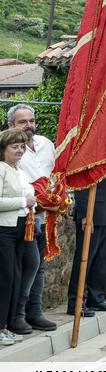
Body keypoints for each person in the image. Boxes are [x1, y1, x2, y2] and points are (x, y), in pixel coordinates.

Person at [7, 104, 57, 332]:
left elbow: (53, 175)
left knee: (39, 267)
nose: (29, 125)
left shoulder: (46, 144)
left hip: (44, 217)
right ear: (10, 126)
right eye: (22, 122)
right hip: (20, 219)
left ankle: (34, 312)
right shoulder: (5, 150)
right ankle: (17, 315)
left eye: (31, 121)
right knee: (25, 266)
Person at [67, 148, 106, 317]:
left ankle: (96, 296)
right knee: (86, 259)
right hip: (93, 213)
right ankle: (75, 301)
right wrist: (85, 214)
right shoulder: (92, 150)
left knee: (103, 258)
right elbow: (82, 184)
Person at [0, 129, 35, 347]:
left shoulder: (18, 170)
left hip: (22, 227)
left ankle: (8, 324)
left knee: (15, 277)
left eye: (22, 146)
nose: (20, 150)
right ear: (3, 149)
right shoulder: (1, 169)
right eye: (15, 147)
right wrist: (24, 201)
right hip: (5, 229)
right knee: (5, 279)